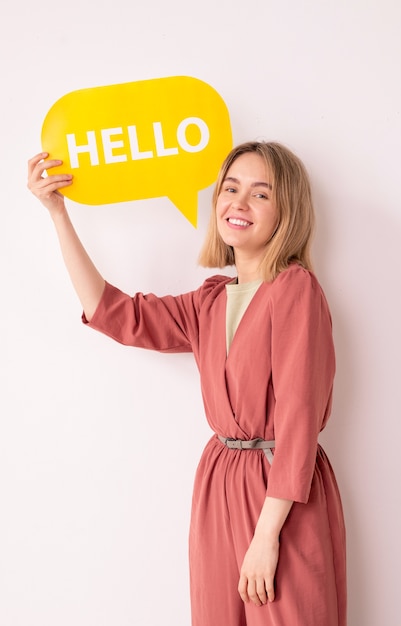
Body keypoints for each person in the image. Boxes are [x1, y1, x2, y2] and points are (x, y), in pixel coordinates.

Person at [27, 141, 347, 626]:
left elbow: (299, 421)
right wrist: (57, 213)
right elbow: (115, 314)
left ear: (287, 211)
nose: (238, 203)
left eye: (260, 194)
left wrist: (266, 536)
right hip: (219, 483)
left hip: (281, 493)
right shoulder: (209, 301)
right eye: (230, 188)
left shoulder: (296, 289)